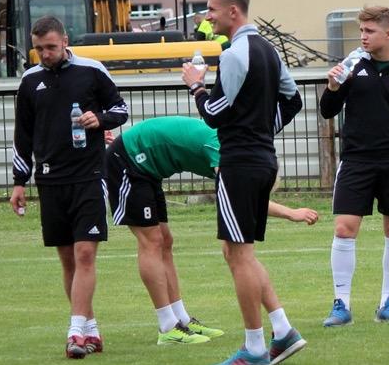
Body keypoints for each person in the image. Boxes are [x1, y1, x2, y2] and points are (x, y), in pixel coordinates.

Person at [105, 116, 319, 346]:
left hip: (148, 166)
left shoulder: (235, 148)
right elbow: (240, 196)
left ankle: (181, 319)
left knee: (165, 241)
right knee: (152, 240)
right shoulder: (224, 153)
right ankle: (167, 327)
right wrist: (291, 213)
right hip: (128, 160)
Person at [181, 0, 305, 365]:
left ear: (232, 11)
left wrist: (196, 86)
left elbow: (215, 113)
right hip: (261, 158)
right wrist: (263, 130)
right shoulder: (268, 49)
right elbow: (294, 100)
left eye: (211, 9)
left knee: (240, 255)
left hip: (240, 162)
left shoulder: (235, 54)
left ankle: (254, 349)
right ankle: (282, 330)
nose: (208, 17)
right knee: (236, 251)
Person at [9, 15, 129, 359]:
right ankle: (91, 330)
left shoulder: (92, 70)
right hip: (50, 180)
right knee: (67, 260)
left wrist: (99, 119)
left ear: (64, 41)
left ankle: (74, 332)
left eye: (50, 47)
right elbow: (22, 136)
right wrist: (19, 182)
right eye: (39, 49)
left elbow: (120, 110)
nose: (45, 54)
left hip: (89, 175)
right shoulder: (30, 81)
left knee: (85, 253)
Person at [318, 6, 389, 327]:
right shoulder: (352, 65)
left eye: (369, 31)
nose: (363, 37)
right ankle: (341, 304)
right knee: (344, 229)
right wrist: (333, 87)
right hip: (355, 161)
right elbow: (327, 111)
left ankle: (388, 302)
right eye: (361, 31)